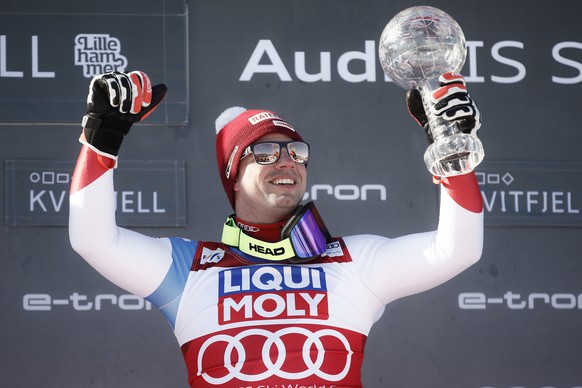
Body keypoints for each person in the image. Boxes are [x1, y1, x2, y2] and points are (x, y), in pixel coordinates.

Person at [69, 70, 484, 387]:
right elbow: (93, 239)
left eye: (296, 151)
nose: (287, 161)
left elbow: (457, 249)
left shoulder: (353, 261)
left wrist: (454, 152)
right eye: (265, 151)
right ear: (233, 174)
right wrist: (101, 140)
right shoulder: (189, 268)